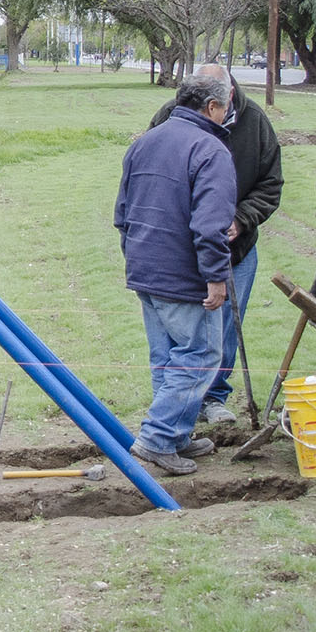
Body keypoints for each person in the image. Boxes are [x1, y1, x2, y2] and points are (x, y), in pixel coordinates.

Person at [114, 70, 236, 476]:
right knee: (200, 355)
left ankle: (177, 434)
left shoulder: (145, 142)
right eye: (226, 106)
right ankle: (158, 438)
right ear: (212, 107)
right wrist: (216, 277)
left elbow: (122, 213)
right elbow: (210, 225)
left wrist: (136, 257)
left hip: (145, 267)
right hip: (184, 275)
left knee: (166, 358)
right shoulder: (210, 150)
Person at [146, 64, 280, 426]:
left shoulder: (255, 123)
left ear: (225, 97)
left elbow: (270, 184)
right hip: (185, 250)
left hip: (237, 248)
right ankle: (171, 417)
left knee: (224, 330)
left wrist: (241, 219)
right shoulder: (170, 119)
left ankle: (211, 398)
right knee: (184, 336)